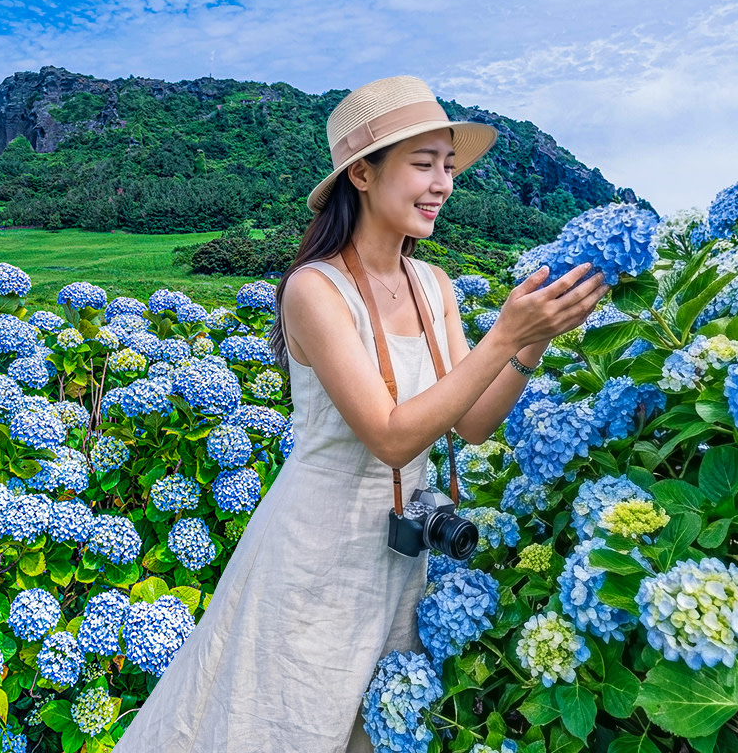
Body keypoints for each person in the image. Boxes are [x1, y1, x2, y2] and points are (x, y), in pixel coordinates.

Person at [112, 75, 608, 753]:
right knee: (286, 723)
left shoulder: (433, 283)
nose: (443, 185)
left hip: (400, 557)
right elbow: (391, 436)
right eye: (424, 165)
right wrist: (503, 334)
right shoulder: (315, 291)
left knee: (367, 732)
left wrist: (537, 333)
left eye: (449, 167)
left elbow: (472, 423)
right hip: (315, 555)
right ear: (364, 175)